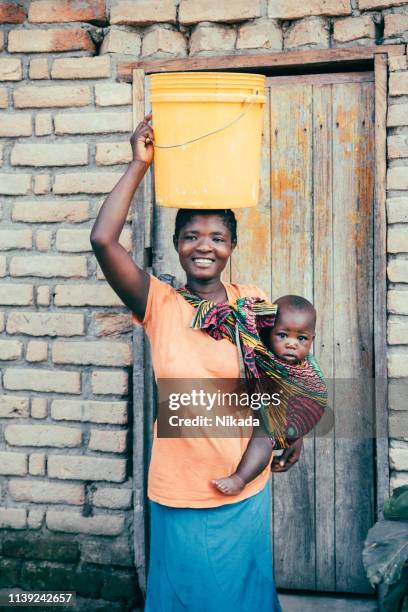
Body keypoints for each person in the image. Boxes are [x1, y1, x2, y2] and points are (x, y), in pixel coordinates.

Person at [90, 115, 302, 612]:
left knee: (244, 596)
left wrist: (295, 431)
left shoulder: (253, 302)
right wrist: (139, 164)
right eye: (190, 236)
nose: (203, 246)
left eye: (216, 237)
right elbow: (103, 241)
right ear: (177, 245)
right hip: (183, 484)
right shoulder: (158, 303)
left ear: (232, 246)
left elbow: (279, 375)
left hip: (245, 481)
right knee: (187, 596)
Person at [213, 294, 325, 495]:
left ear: (312, 340)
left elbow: (308, 399)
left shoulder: (305, 369)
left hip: (282, 417)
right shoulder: (262, 351)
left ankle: (240, 479)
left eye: (301, 338)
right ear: (268, 332)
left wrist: (296, 433)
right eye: (282, 335)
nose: (292, 344)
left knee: (263, 436)